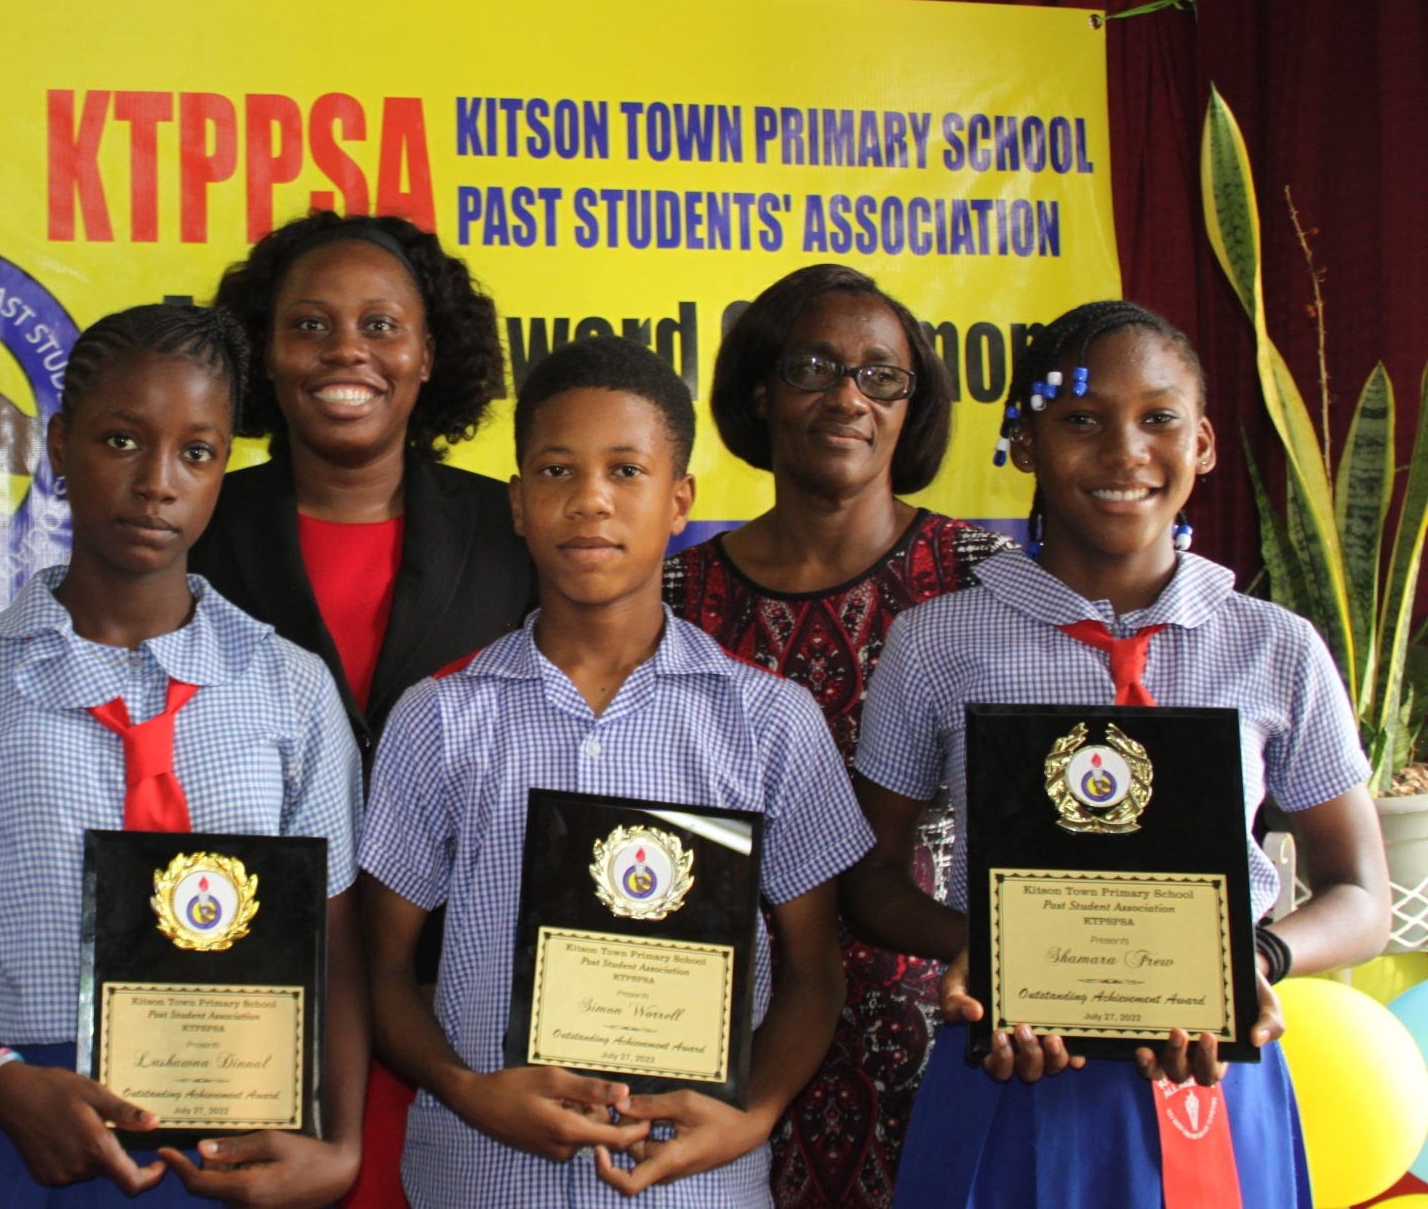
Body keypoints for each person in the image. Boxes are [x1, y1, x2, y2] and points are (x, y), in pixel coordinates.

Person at [844, 300, 1390, 1207]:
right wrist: (988, 953)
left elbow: (1362, 894)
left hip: (1215, 1073)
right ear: (1023, 442)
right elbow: (870, 879)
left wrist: (1254, 961)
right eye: (1081, 420)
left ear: (1205, 443)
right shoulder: (937, 644)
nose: (1124, 450)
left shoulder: (1275, 647)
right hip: (1010, 1072)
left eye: (1159, 418)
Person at [360, 336, 872, 1207]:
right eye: (557, 471)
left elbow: (817, 970)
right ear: (518, 504)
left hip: (695, 1185)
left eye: (626, 471)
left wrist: (756, 1110)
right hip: (483, 1177)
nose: (590, 499)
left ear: (680, 502)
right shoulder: (441, 716)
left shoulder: (768, 721)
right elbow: (378, 966)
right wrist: (464, 1086)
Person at [0, 304, 366, 1207]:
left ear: (225, 467)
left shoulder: (291, 689)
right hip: (29, 1129)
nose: (157, 483)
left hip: (241, 1125)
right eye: (120, 439)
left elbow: (334, 941)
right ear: (60, 445)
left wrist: (341, 1144)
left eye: (197, 452)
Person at [191, 211, 532, 1208]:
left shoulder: (512, 530)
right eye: (310, 325)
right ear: (262, 352)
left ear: (430, 353)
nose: (347, 349)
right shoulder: (193, 528)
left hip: (466, 1020)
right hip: (258, 1027)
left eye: (381, 325)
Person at [664, 264, 1011, 1207]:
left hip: (958, 1038)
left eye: (881, 375)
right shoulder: (673, 601)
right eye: (816, 365)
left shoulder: (987, 580)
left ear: (912, 406)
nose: (849, 396)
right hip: (720, 1045)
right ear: (760, 390)